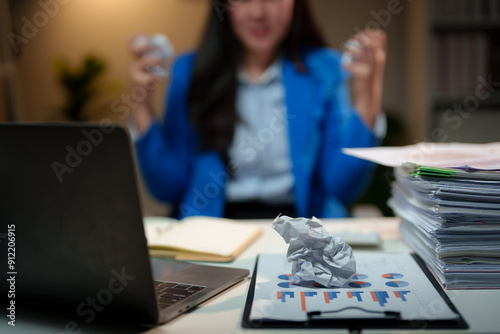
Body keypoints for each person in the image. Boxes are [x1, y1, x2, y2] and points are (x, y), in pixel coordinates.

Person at [128, 0, 387, 219]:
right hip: (212, 230)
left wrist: (368, 97)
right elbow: (167, 187)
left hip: (301, 227)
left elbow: (341, 186)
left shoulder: (325, 70)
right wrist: (142, 106)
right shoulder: (189, 72)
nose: (258, 13)